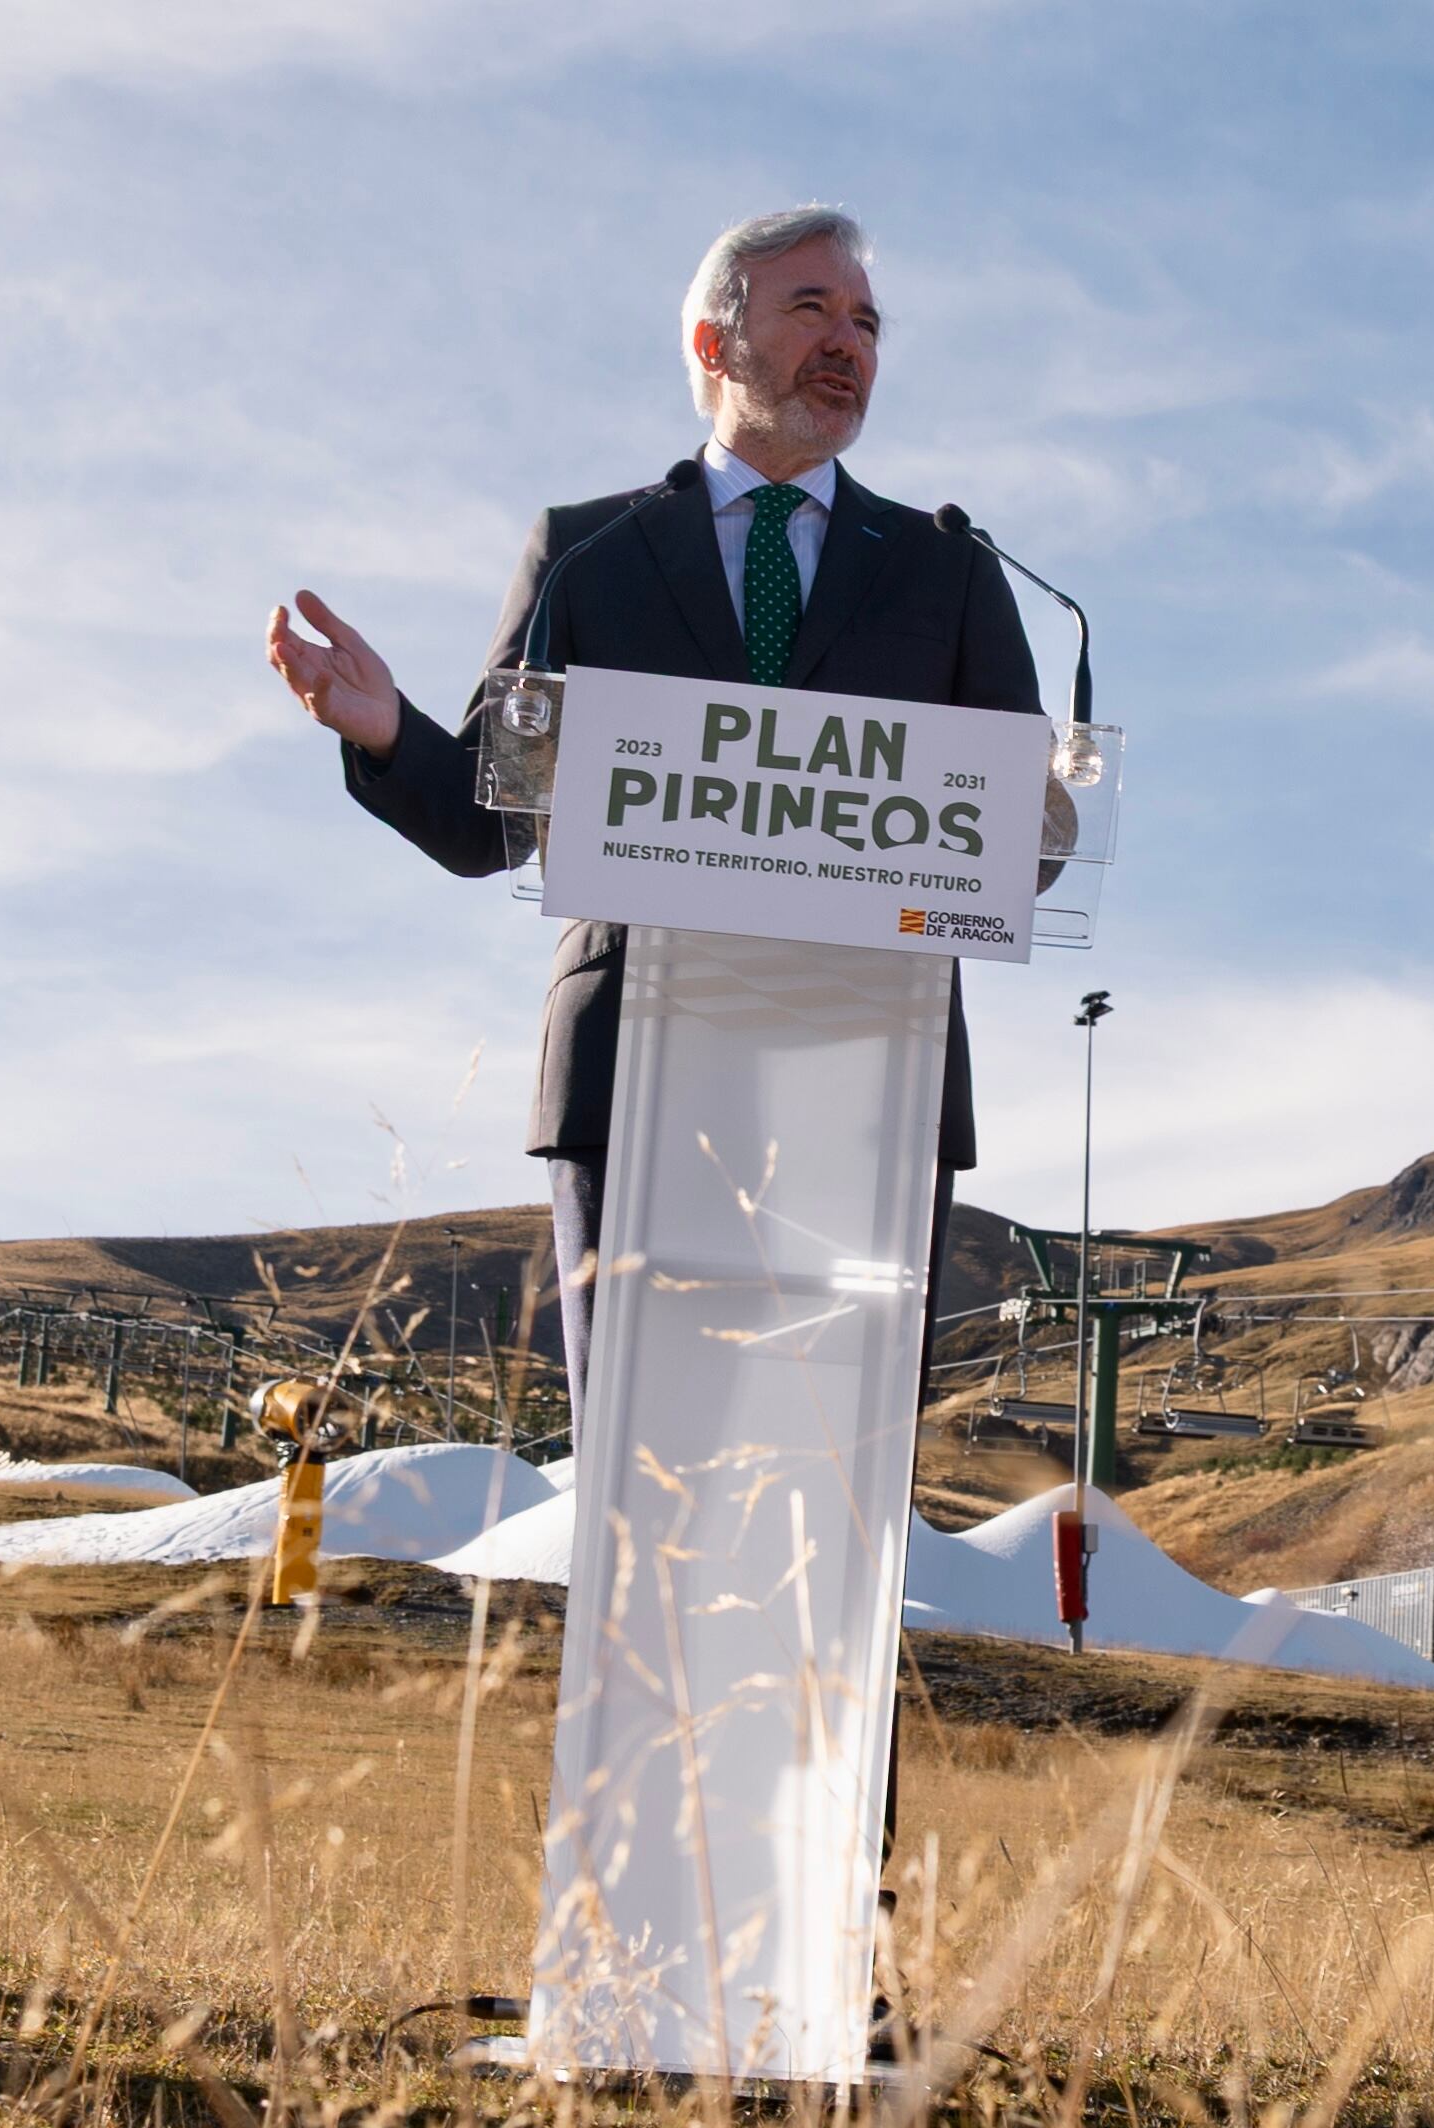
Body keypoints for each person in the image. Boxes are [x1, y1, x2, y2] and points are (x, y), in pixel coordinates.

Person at [264, 204, 1035, 1396]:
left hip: (872, 1074)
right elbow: (488, 818)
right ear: (715, 342)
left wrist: (1043, 808)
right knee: (645, 1460)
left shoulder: (951, 566)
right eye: (813, 309)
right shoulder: (590, 553)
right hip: (633, 1067)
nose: (849, 341)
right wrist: (386, 732)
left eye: (868, 322)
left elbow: (1017, 842)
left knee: (842, 1463)